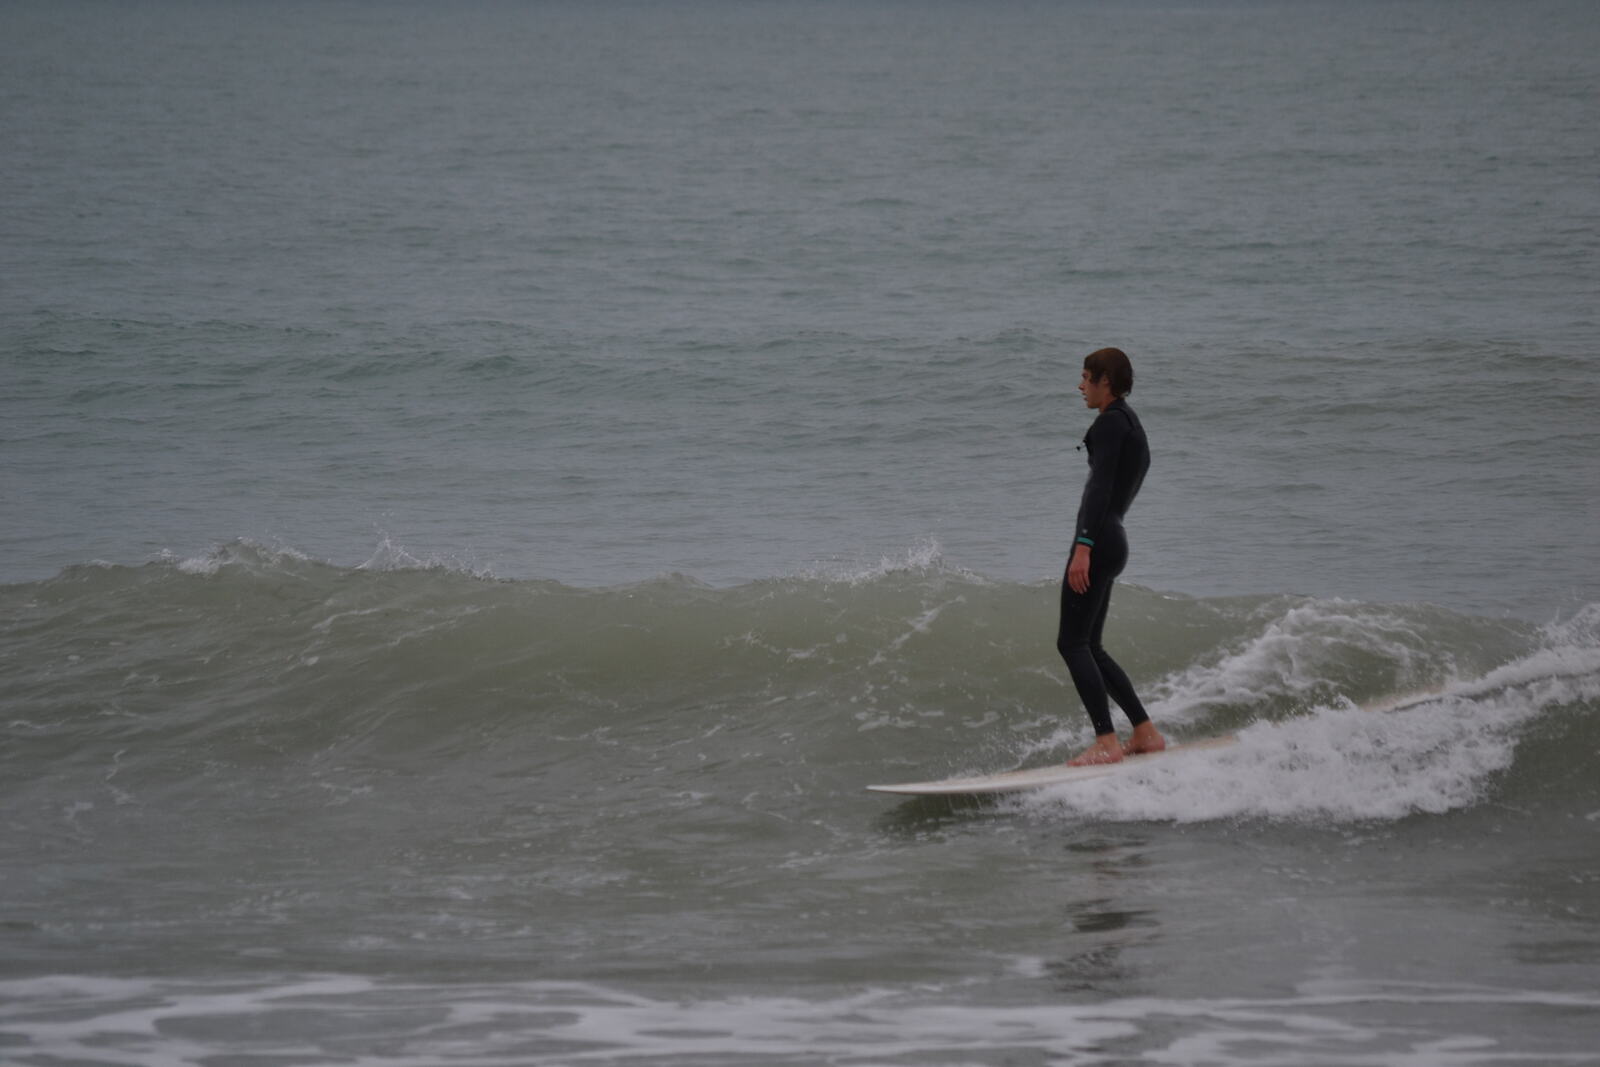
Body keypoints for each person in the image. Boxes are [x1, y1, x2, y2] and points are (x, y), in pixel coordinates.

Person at [1058, 347, 1165, 765]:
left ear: (1106, 382)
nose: (1080, 386)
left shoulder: (1107, 424)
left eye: (1087, 377)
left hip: (1098, 539)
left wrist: (1083, 546)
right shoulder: (1132, 423)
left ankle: (1106, 741)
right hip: (1115, 535)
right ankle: (1145, 731)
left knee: (1071, 642)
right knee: (1091, 645)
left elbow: (1099, 487)